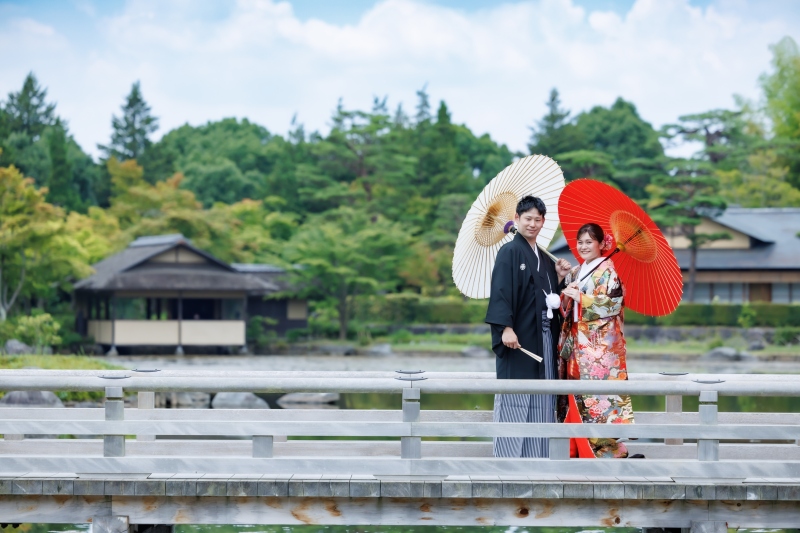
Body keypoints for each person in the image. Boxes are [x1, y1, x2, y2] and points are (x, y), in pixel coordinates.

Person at [485, 196, 572, 458]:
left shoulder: (544, 258)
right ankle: (509, 459)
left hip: (543, 336)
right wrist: (505, 328)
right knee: (517, 393)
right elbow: (501, 292)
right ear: (518, 219)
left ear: (543, 222)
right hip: (519, 337)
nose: (533, 224)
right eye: (528, 219)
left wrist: (557, 277)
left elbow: (549, 297)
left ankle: (539, 456)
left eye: (537, 219)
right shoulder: (510, 252)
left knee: (543, 394)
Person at [558, 223, 634, 459]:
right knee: (573, 392)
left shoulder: (608, 272)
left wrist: (580, 297)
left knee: (596, 397)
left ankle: (601, 451)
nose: (583, 246)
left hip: (597, 349)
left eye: (589, 242)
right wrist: (564, 285)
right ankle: (573, 447)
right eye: (580, 242)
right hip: (575, 344)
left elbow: (613, 305)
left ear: (602, 244)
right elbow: (565, 305)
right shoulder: (578, 271)